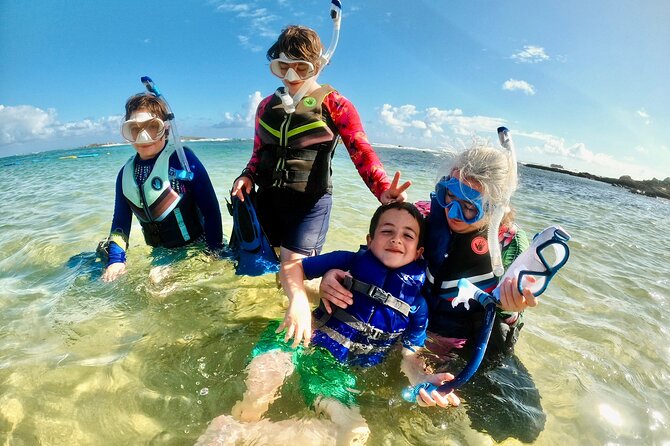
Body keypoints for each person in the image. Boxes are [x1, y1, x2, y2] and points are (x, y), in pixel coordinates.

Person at [319, 143, 547, 441]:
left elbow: (510, 311)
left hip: (464, 343)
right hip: (410, 328)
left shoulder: (508, 245)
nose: (453, 212)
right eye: (449, 196)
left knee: (522, 425)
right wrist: (331, 275)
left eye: (469, 207)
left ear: (494, 208)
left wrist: (514, 307)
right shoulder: (424, 216)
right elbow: (376, 256)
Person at [202, 203, 459, 445]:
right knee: (253, 404)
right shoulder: (348, 261)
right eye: (387, 231)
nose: (396, 239)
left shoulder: (417, 306)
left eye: (408, 235)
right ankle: (242, 423)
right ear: (370, 241)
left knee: (354, 433)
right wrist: (299, 302)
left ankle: (241, 432)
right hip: (295, 338)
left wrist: (423, 379)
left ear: (419, 252)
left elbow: (410, 354)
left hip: (332, 370)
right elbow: (291, 268)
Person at [230, 25, 410, 264]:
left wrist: (383, 188)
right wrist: (247, 176)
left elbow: (361, 150)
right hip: (268, 201)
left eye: (301, 68)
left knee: (293, 269)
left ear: (318, 66)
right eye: (283, 67)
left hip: (310, 204)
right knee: (252, 265)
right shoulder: (265, 107)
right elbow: (258, 153)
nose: (291, 77)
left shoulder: (336, 104)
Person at [100, 93, 223, 282]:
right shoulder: (124, 175)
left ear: (165, 129)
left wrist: (213, 252)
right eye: (134, 129)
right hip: (160, 253)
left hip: (197, 247)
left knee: (156, 280)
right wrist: (116, 261)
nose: (143, 136)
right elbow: (120, 223)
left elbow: (211, 211)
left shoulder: (184, 161)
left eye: (152, 127)